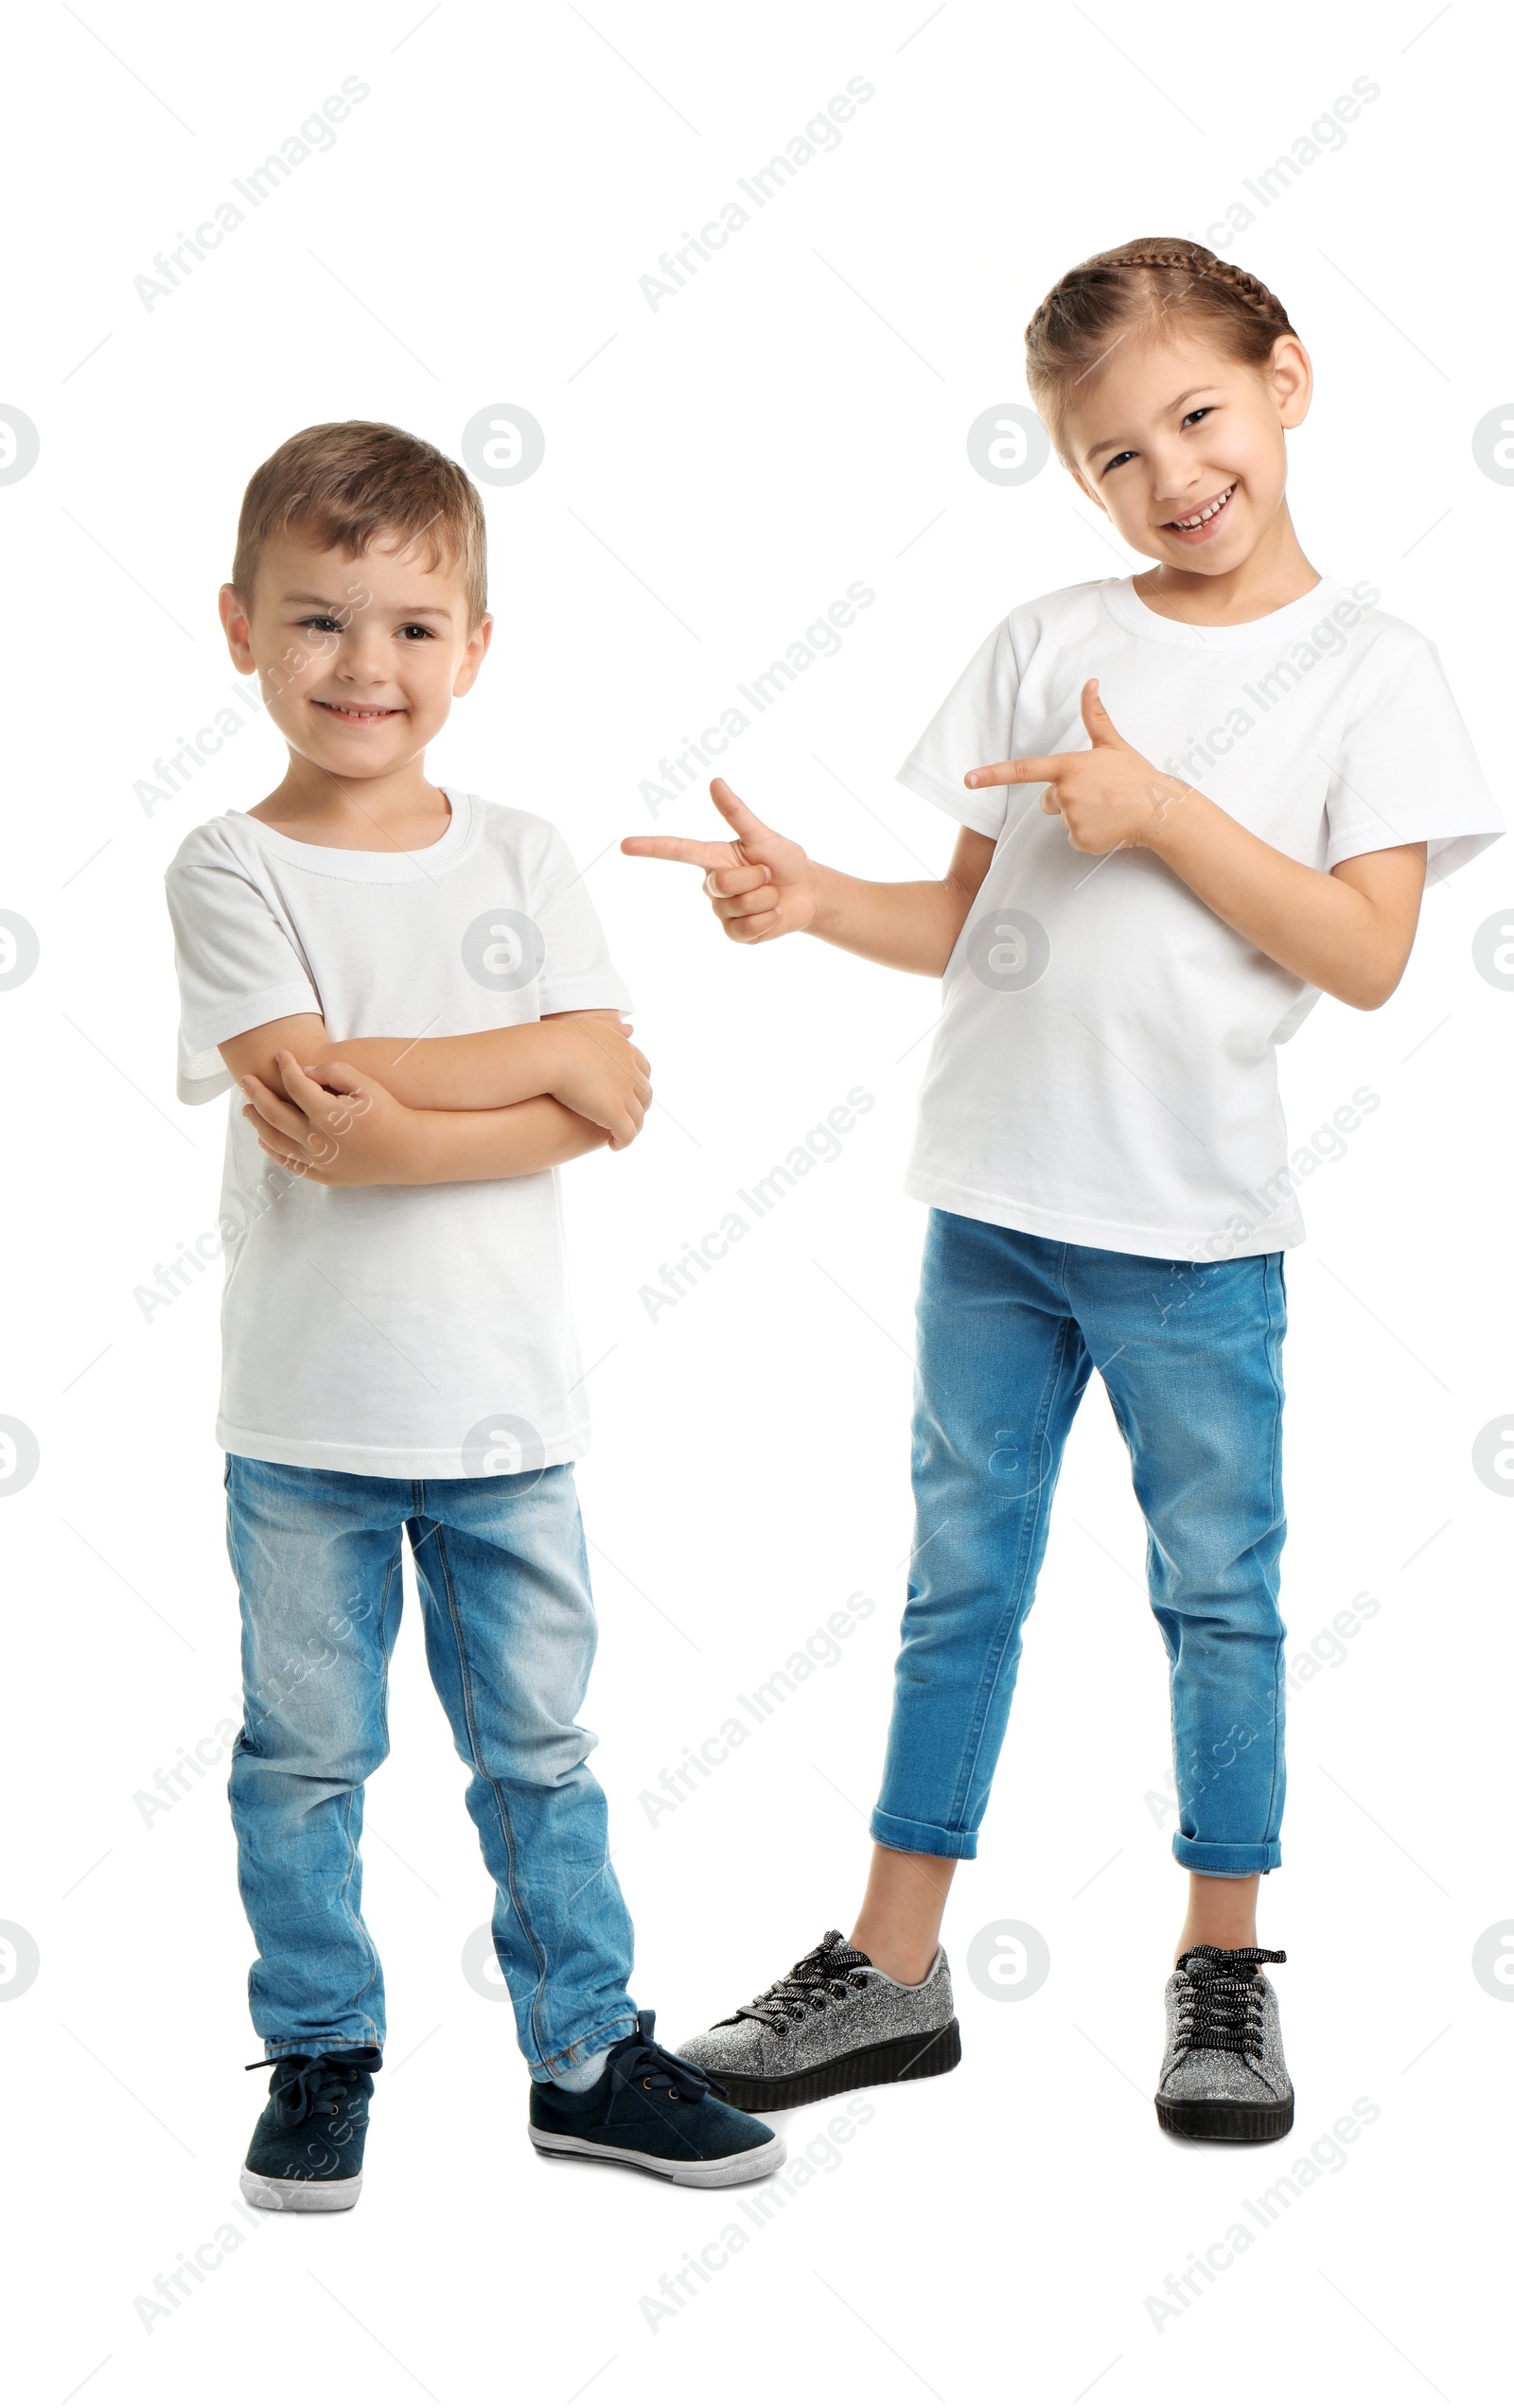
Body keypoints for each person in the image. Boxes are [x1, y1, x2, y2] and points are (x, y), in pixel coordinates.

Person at [624, 240, 1501, 2141]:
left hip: (1190, 1234)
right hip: (994, 1207)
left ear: (1285, 380)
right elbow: (960, 919)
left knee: (1218, 1597)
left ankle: (1220, 1971)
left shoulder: (1373, 668)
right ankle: (892, 1966)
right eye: (1108, 455)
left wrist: (1167, 811)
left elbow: (1361, 956)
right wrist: (804, 905)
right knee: (960, 1583)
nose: (1166, 474)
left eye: (1194, 416)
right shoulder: (1044, 637)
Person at [167, 420, 783, 2206]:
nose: (368, 667)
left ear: (476, 647)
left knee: (541, 1750)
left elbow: (624, 1095)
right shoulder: (231, 866)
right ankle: (321, 2050)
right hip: (304, 1423)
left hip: (509, 1414)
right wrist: (542, 1073)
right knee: (305, 1757)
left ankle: (586, 2053)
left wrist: (418, 1102)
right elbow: (320, 1113)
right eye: (319, 622)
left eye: (414, 627)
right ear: (239, 627)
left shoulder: (519, 855)